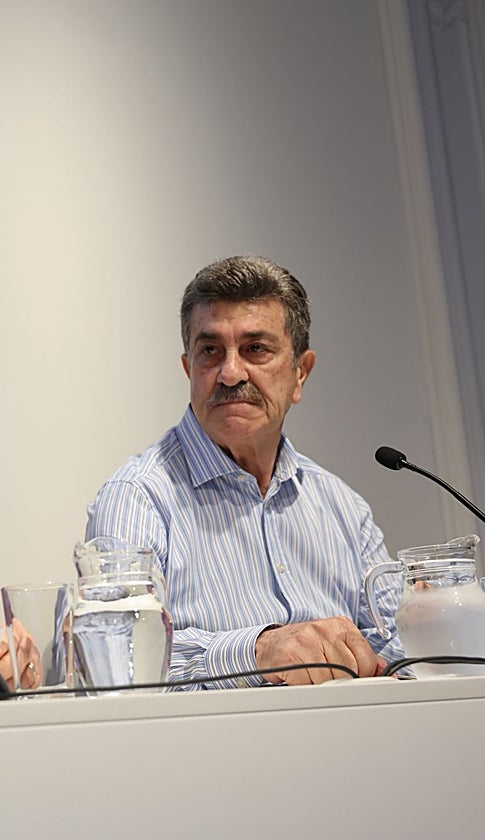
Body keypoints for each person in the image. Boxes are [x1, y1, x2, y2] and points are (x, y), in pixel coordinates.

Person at [84, 255, 406, 689]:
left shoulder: (341, 505)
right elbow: (117, 658)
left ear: (300, 374)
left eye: (256, 349)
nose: (231, 373)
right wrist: (258, 653)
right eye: (210, 351)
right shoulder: (137, 498)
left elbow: (398, 643)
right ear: (189, 369)